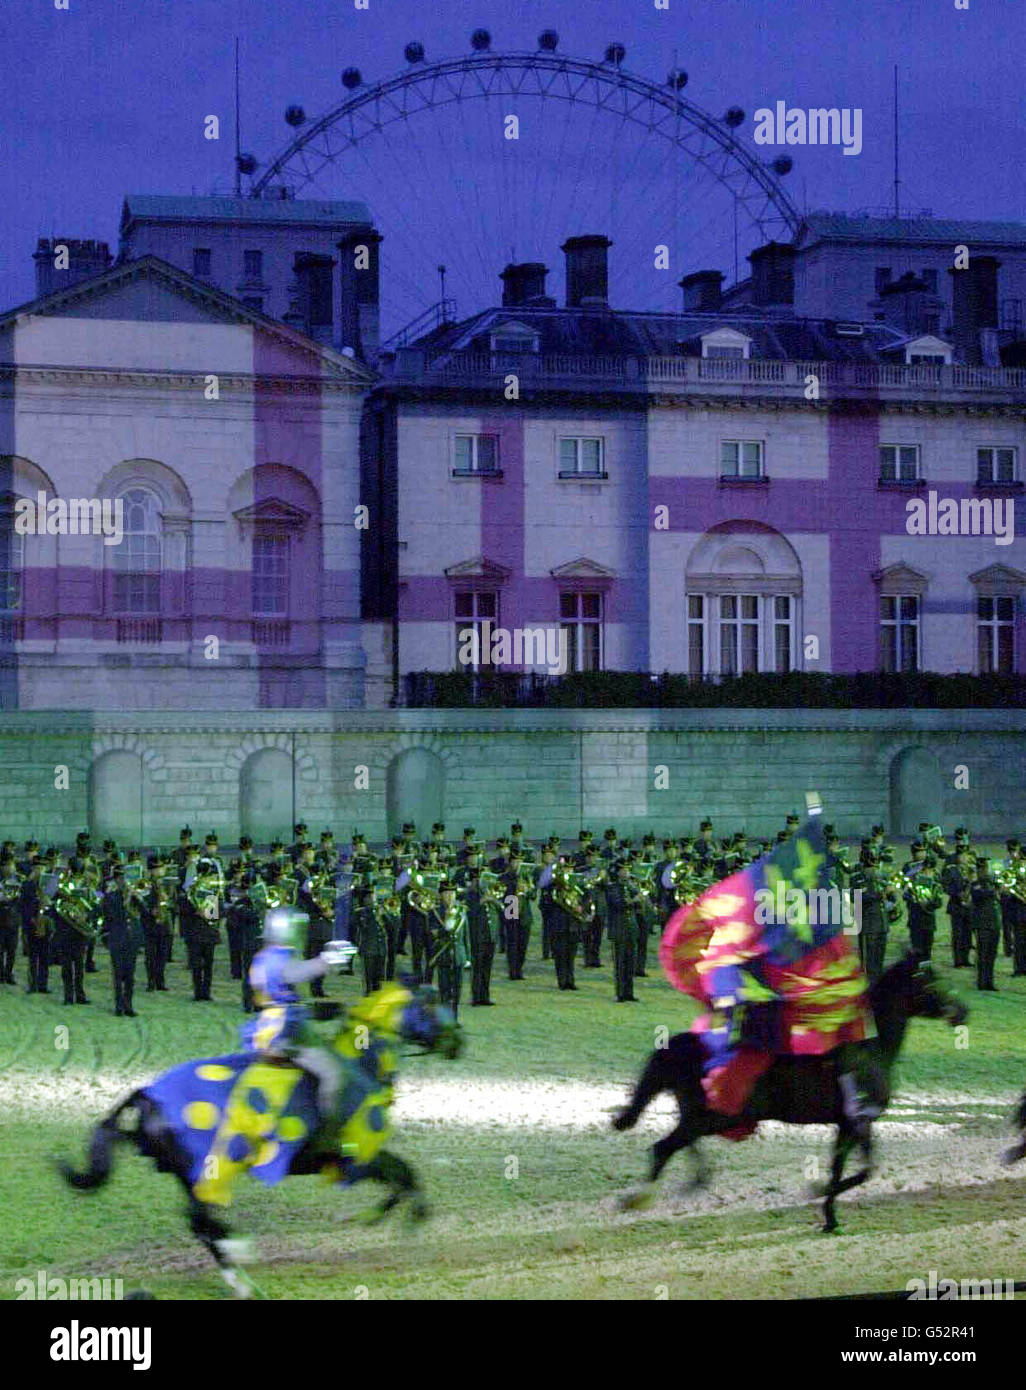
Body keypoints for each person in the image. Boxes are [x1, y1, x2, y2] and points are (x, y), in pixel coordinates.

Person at [243, 908, 350, 1126]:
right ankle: (327, 1130)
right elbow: (296, 973)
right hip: (284, 1030)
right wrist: (328, 959)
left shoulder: (263, 957)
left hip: (272, 1022)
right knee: (333, 1074)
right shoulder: (277, 958)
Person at [103, 865, 144, 1017]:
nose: (124, 882)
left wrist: (137, 897)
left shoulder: (135, 895)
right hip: (117, 937)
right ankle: (119, 1005)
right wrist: (126, 899)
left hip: (132, 938)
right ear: (117, 880)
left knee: (130, 974)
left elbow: (144, 912)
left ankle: (129, 1004)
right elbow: (112, 916)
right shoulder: (110, 896)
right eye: (121, 879)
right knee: (118, 973)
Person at [605, 860, 638, 1002]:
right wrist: (633, 900)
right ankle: (620, 993)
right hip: (618, 928)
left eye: (628, 870)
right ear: (617, 872)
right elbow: (618, 904)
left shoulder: (630, 886)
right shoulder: (612, 888)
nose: (626, 872)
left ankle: (629, 992)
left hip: (630, 927)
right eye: (623, 870)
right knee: (620, 963)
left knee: (630, 963)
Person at [970, 859, 1002, 992]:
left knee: (991, 954)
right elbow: (978, 895)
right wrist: (994, 891)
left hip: (994, 923)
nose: (984, 872)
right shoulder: (976, 884)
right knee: (983, 954)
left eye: (986, 869)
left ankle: (989, 982)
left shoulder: (992, 884)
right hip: (982, 924)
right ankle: (982, 982)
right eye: (982, 869)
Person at [0, 853, 20, 983]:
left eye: (11, 865)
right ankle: (1, 973)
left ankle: (9, 973)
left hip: (13, 918)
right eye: (7, 865)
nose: (10, 868)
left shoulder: (18, 880)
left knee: (12, 949)